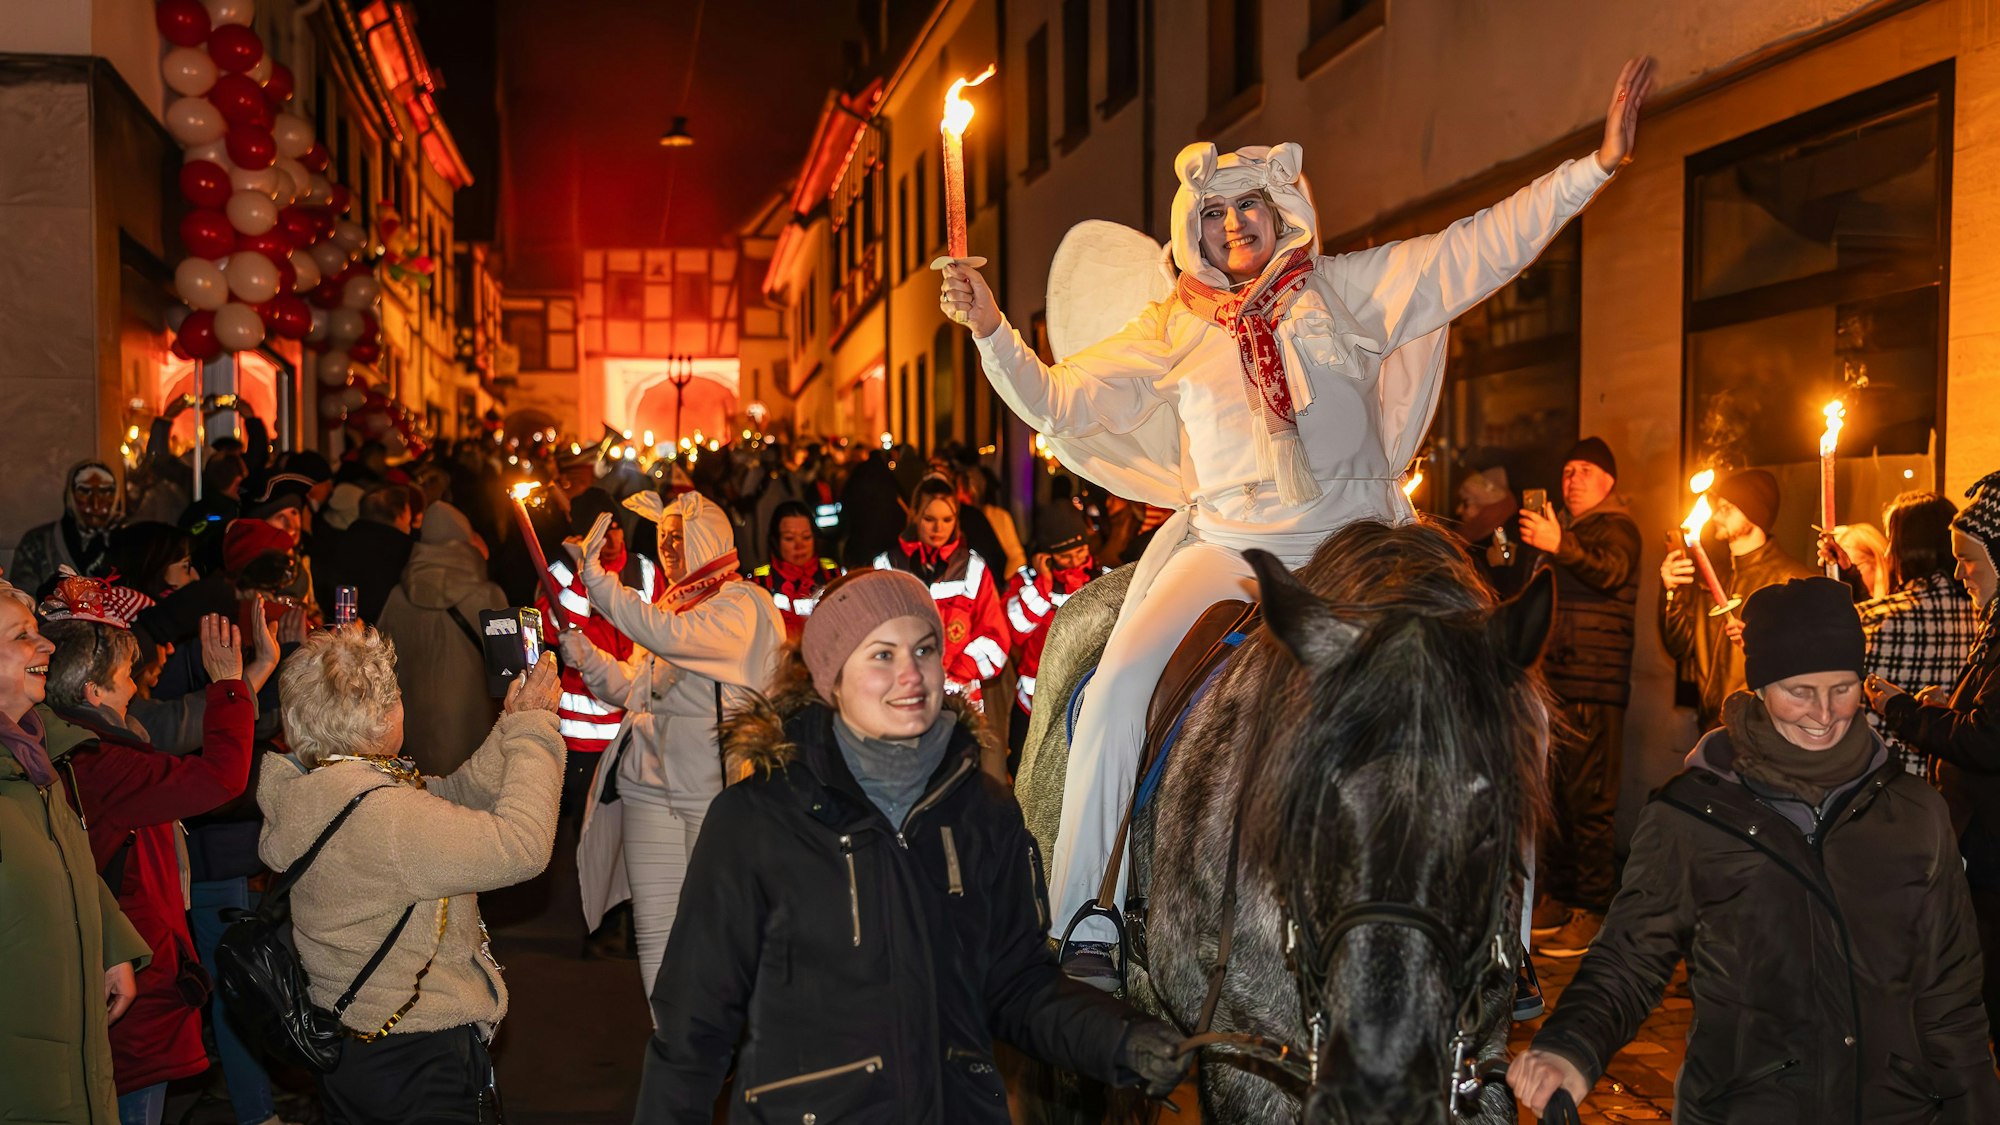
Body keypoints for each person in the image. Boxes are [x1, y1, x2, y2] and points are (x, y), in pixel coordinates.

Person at [939, 60, 1652, 968]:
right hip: (1232, 545)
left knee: (1508, 696)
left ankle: (1504, 941)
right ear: (1192, 229)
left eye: (1250, 207)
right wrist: (992, 326)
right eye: (1215, 212)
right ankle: (1087, 914)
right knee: (1117, 687)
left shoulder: (1346, 288)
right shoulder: (1169, 327)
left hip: (1367, 543)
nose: (1234, 224)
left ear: (1283, 213)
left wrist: (1592, 168)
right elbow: (1058, 401)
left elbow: (1474, 249)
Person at [632, 569, 1188, 1122]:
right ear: (831, 675)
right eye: (881, 655)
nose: (912, 675)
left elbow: (1017, 985)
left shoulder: (984, 811)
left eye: (924, 650)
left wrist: (1120, 1040)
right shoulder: (756, 821)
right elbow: (693, 1031)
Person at [1514, 577, 2000, 1122]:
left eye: (1843, 687)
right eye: (1800, 691)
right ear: (1762, 687)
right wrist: (1571, 1047)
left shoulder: (1913, 814)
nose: (1825, 714)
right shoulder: (1696, 813)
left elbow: (1951, 1002)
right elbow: (1630, 956)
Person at [258, 626, 564, 1124]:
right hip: (416, 1057)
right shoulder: (389, 818)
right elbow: (523, 847)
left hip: (351, 1048)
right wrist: (536, 729)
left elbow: (452, 796)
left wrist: (511, 724)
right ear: (379, 719)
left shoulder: (318, 791)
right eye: (396, 697)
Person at [39, 581, 260, 1125]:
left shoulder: (64, 742)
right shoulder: (105, 764)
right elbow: (220, 779)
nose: (134, 689)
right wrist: (228, 684)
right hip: (131, 978)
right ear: (92, 691)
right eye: (122, 679)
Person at [561, 490, 786, 999]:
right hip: (646, 784)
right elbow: (638, 689)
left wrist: (600, 582)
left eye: (678, 538)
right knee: (657, 929)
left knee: (714, 924)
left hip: (707, 792)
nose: (668, 549)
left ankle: (717, 1046)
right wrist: (591, 659)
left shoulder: (742, 605)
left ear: (709, 539)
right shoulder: (674, 605)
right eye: (662, 539)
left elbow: (669, 636)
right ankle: (672, 1045)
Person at [0, 578, 151, 1125]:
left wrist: (112, 946)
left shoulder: (38, 756)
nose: (46, 647)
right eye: (23, 637)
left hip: (67, 1035)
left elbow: (70, 862)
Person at [1866, 470, 2000, 1046]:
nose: (1960, 572)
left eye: (1968, 559)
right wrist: (1953, 703)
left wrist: (1901, 709)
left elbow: (1987, 741)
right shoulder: (1989, 623)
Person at [1515, 437, 1641, 958]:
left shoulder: (1618, 527)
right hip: (1558, 681)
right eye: (1568, 470)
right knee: (1557, 798)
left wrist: (1559, 543)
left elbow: (1610, 570)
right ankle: (1561, 900)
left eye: (1586, 470)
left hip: (1593, 682)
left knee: (1590, 803)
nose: (1573, 478)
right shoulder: (1566, 530)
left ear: (1609, 481)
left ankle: (1592, 910)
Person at [536, 490, 663, 818]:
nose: (609, 539)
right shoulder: (561, 574)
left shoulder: (644, 569)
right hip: (583, 739)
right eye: (598, 533)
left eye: (614, 527)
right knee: (588, 829)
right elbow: (556, 629)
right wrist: (582, 571)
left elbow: (665, 628)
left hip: (638, 727)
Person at [1660, 468, 1815, 729]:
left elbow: (1809, 663)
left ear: (1755, 514)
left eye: (1728, 507)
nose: (1717, 515)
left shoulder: (1792, 580)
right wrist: (1672, 591)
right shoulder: (1713, 578)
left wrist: (1760, 644)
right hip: (1712, 725)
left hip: (1765, 728)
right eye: (1717, 507)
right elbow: (1680, 646)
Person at [1846, 492, 1982, 776]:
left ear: (1904, 548)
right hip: (1951, 781)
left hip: (1883, 781)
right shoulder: (1982, 617)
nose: (1886, 553)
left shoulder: (1873, 619)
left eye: (1891, 541)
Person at [376, 502, 507, 778]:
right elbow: (507, 670)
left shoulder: (397, 597)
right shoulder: (487, 596)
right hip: (473, 734)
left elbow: (381, 665)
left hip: (411, 733)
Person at [872, 476, 1011, 711]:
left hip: (959, 701)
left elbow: (995, 639)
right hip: (901, 694)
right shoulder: (887, 566)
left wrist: (956, 674)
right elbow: (870, 633)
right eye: (929, 519)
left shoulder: (973, 568)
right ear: (914, 514)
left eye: (947, 519)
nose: (939, 528)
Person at [1003, 500, 1101, 771]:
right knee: (1025, 767)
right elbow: (1017, 630)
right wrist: (1043, 585)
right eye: (1065, 555)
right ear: (1046, 554)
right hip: (1034, 703)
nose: (1075, 560)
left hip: (1086, 699)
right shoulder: (1026, 581)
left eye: (1080, 550)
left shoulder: (1103, 578)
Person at [13, 459, 124, 595]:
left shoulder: (134, 543)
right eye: (84, 491)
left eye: (105, 491)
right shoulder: (37, 543)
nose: (95, 503)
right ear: (70, 496)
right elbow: (23, 601)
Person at [310, 482, 415, 625]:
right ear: (400, 514)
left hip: (332, 634)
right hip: (383, 640)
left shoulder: (333, 544)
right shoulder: (409, 555)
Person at [748, 498, 843, 641]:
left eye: (806, 537)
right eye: (789, 538)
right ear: (775, 541)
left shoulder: (831, 574)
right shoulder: (760, 582)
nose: (799, 546)